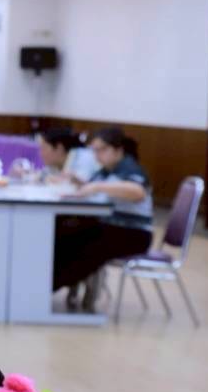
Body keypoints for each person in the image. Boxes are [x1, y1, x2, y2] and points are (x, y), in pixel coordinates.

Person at [54, 127, 154, 311]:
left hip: (133, 234)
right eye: (94, 150)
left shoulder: (130, 168)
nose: (97, 155)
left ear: (118, 150)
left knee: (82, 243)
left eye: (102, 150)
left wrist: (98, 186)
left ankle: (54, 286)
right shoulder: (106, 170)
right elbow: (97, 189)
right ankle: (50, 285)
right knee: (63, 232)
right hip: (112, 227)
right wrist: (80, 182)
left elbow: (137, 192)